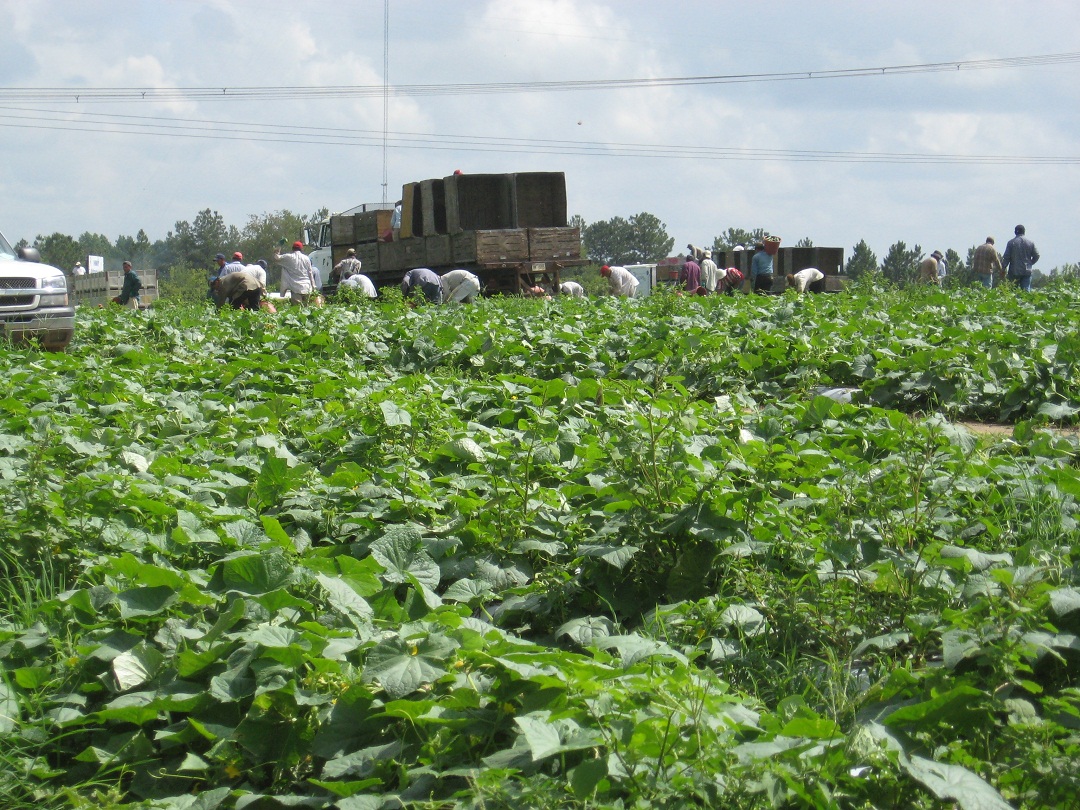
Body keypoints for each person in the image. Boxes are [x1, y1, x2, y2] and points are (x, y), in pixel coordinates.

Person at [1001, 224, 1040, 291]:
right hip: (1027, 270)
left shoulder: (1011, 243)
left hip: (1014, 271)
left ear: (1015, 232)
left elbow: (1006, 257)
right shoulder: (1030, 243)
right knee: (1026, 292)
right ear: (1024, 232)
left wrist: (1003, 268)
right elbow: (1037, 255)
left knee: (1012, 291)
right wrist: (1030, 263)